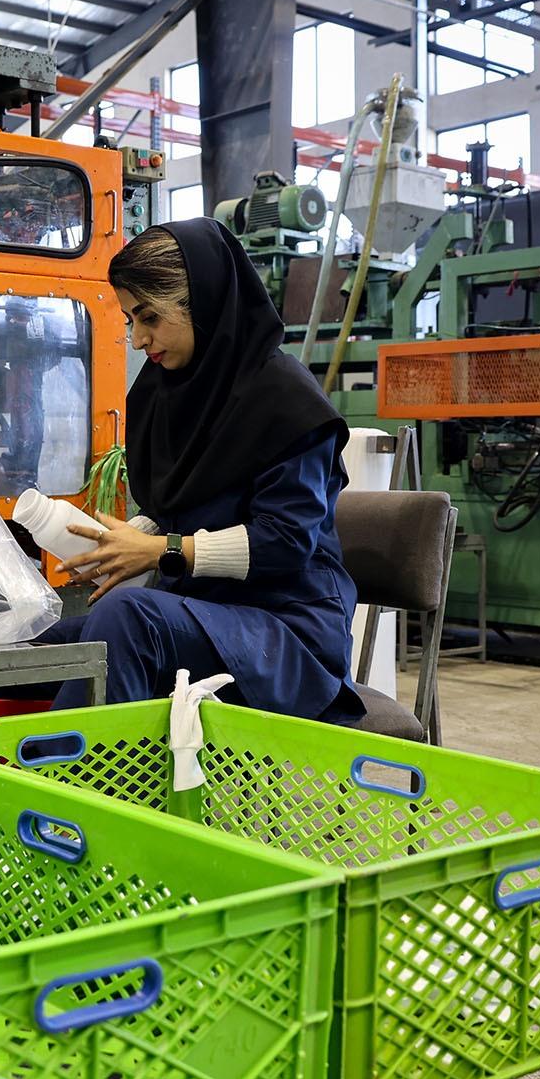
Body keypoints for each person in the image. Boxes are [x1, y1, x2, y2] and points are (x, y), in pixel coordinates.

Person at [31, 218, 366, 722]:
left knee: (127, 618)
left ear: (203, 302)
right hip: (205, 612)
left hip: (286, 633)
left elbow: (285, 541)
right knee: (39, 648)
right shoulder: (170, 393)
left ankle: (77, 769)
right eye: (130, 320)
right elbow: (186, 505)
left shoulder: (286, 402)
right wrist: (126, 540)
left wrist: (162, 550)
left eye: (150, 317)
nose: (138, 339)